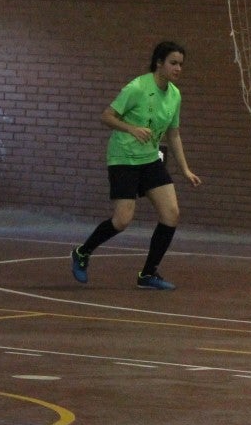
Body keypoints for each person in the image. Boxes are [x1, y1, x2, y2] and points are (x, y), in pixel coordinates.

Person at [71, 41, 202, 289]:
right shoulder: (138, 87)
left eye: (181, 65)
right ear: (159, 63)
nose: (178, 69)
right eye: (173, 63)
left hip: (150, 159)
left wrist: (185, 169)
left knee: (171, 214)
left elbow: (173, 133)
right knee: (122, 220)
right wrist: (131, 128)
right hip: (124, 158)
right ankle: (82, 252)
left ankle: (148, 274)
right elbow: (106, 116)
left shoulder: (174, 94)